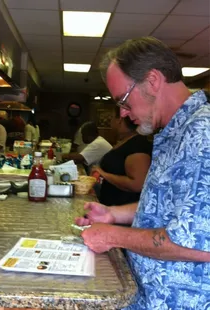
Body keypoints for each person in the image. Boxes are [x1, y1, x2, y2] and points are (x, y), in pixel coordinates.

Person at [76, 37, 210, 310]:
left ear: (153, 80)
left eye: (123, 100)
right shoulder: (174, 132)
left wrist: (111, 235)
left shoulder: (202, 134)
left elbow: (200, 244)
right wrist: (114, 214)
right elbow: (174, 207)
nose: (123, 113)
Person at [91, 107, 152, 206]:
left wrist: (104, 174)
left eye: (111, 118)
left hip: (124, 212)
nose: (110, 122)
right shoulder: (126, 141)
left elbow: (137, 184)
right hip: (112, 206)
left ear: (119, 120)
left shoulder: (138, 145)